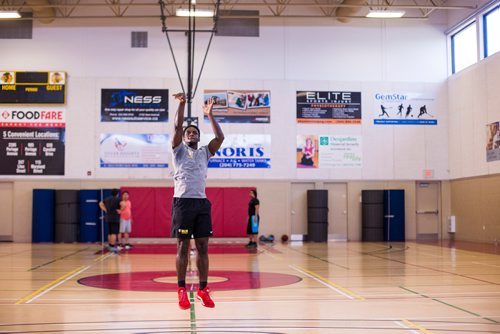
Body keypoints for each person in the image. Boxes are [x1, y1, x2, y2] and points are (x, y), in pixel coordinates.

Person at [170, 92, 224, 310]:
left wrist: (210, 115)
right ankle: (182, 290)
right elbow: (176, 127)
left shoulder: (205, 152)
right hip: (183, 203)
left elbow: (219, 138)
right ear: (184, 137)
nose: (191, 134)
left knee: (203, 247)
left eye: (194, 132)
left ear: (198, 137)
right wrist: (182, 104)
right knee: (183, 246)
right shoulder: (179, 151)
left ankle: (203, 289)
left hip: (201, 203)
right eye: (188, 132)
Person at [99, 188, 121, 253]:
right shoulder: (118, 199)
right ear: (117, 193)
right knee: (114, 233)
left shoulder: (107, 199)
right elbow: (124, 205)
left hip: (108, 217)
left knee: (110, 232)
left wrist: (105, 209)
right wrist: (120, 210)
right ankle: (112, 246)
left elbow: (100, 203)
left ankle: (110, 246)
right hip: (115, 218)